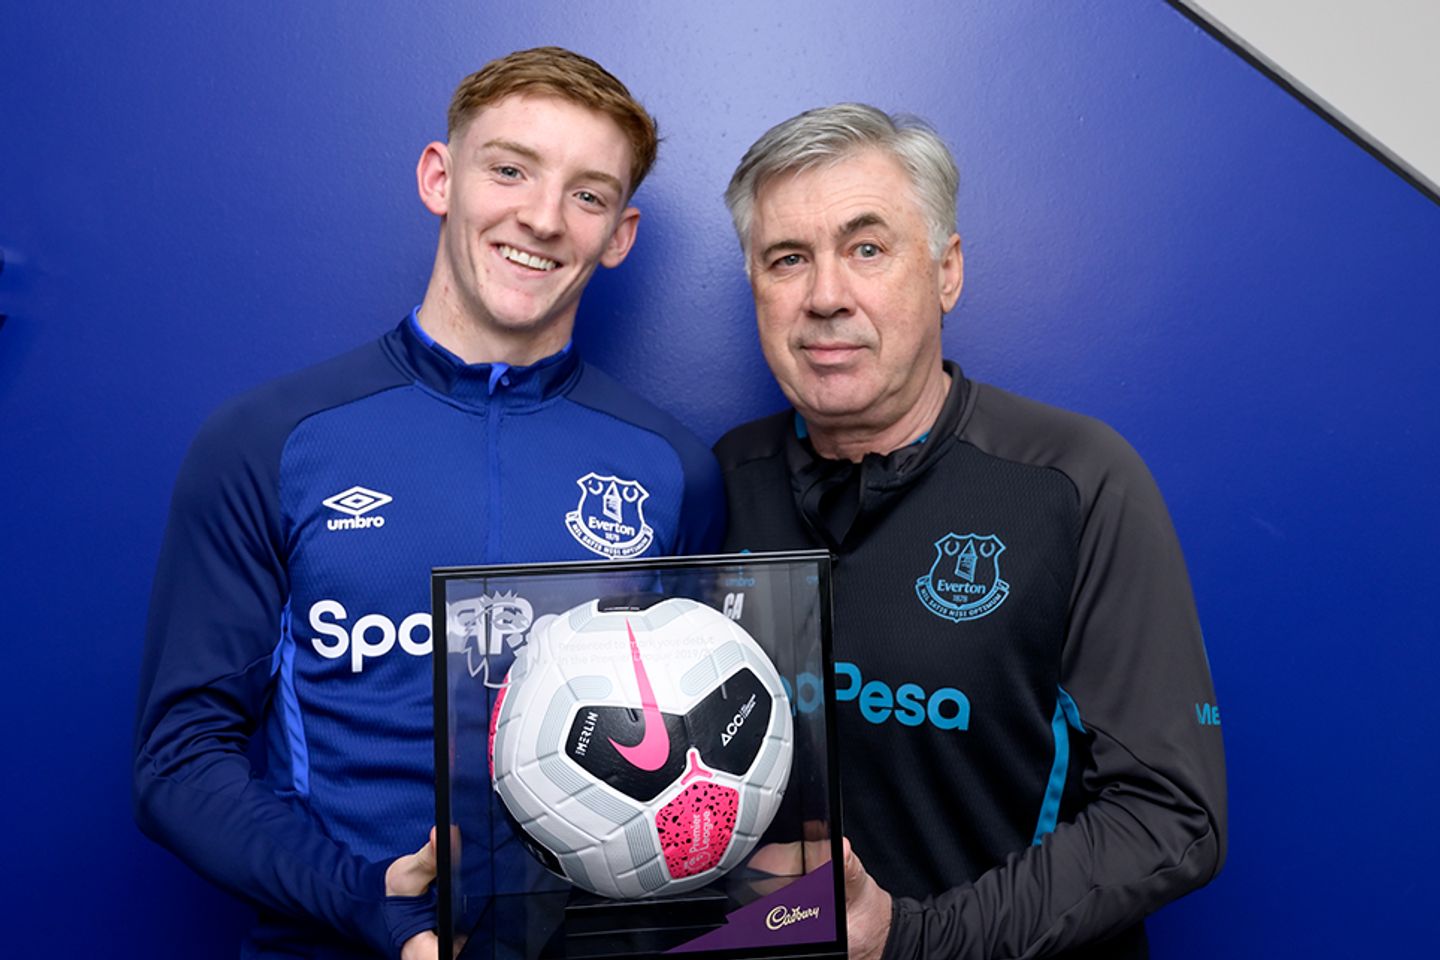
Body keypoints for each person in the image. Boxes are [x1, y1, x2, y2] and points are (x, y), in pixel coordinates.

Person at [133, 47, 723, 960]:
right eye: (511, 169)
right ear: (439, 178)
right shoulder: (270, 440)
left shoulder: (673, 469)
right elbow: (179, 762)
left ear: (621, 235)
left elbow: (693, 756)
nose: (541, 216)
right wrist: (370, 903)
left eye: (588, 194)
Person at [714, 103, 1226, 960]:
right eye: (787, 259)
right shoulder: (723, 481)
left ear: (946, 271)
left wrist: (912, 942)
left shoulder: (1074, 480)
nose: (826, 296)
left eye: (867, 248)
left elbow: (1174, 817)